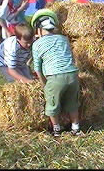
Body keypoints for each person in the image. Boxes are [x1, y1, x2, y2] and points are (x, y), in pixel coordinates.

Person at [31, 9, 82, 137]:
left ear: (39, 29)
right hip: (72, 75)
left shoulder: (37, 44)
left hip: (55, 77)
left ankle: (57, 130)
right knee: (73, 104)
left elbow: (37, 68)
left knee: (52, 105)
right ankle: (75, 128)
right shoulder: (64, 39)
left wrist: (44, 85)